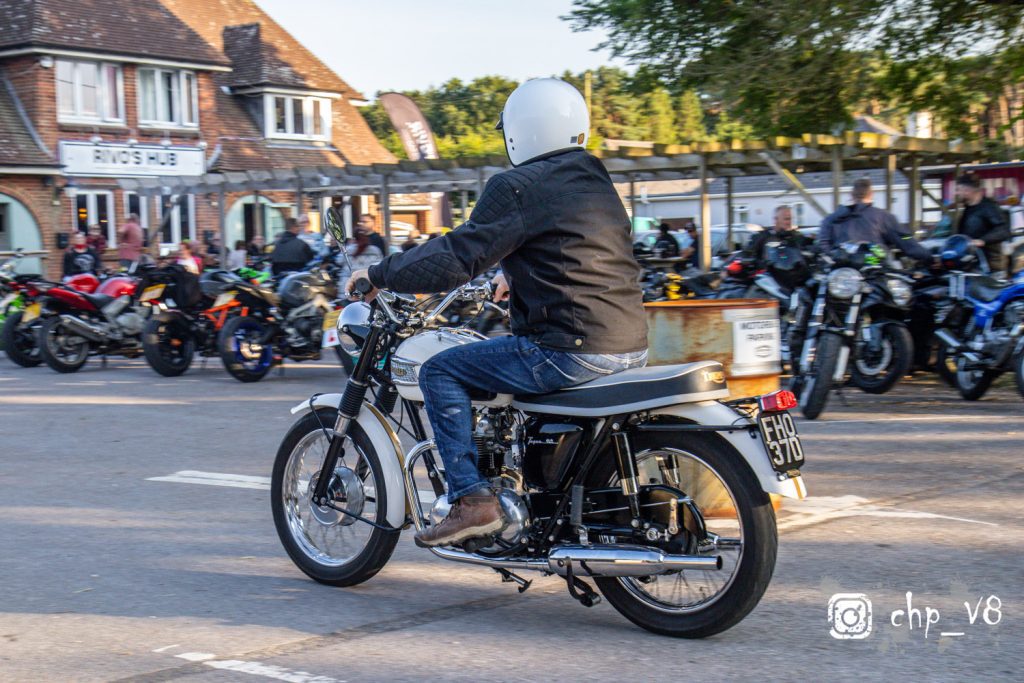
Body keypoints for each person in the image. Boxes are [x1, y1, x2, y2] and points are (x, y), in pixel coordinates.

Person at [347, 78, 648, 548]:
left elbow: (455, 257)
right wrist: (516, 274)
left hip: (568, 348)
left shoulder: (516, 186)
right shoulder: (593, 177)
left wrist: (380, 274)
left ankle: (472, 500)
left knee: (440, 370)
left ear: (520, 130)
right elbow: (577, 246)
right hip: (628, 343)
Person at [818, 178, 931, 262]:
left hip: (842, 271)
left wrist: (835, 258)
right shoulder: (883, 217)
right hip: (874, 266)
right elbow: (905, 239)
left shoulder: (831, 219)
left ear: (851, 195)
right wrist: (928, 258)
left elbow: (822, 244)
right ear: (871, 194)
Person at [955, 172, 1011, 272]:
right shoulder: (968, 209)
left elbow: (1003, 230)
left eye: (958, 190)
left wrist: (982, 241)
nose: (957, 193)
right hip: (972, 265)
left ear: (967, 190)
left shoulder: (989, 207)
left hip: (990, 267)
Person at [745, 206, 810, 268]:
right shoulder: (762, 236)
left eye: (790, 219)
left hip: (793, 272)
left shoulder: (796, 236)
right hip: (769, 272)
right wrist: (757, 263)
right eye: (786, 219)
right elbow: (748, 254)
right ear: (776, 219)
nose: (789, 222)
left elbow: (806, 251)